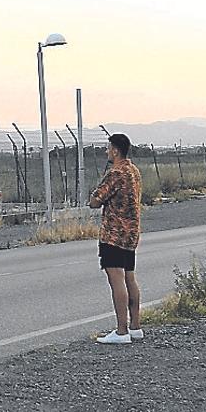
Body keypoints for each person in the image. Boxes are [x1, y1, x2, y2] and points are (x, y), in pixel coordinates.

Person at [87, 133, 144, 345]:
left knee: (116, 280)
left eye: (108, 148)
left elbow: (95, 201)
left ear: (115, 150)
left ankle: (121, 331)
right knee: (130, 278)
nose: (106, 151)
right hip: (131, 233)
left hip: (113, 234)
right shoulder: (134, 171)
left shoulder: (116, 173)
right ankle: (135, 326)